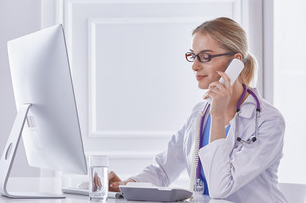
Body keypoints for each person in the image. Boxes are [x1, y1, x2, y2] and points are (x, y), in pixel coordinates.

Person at [108, 17, 287, 203]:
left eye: (206, 56)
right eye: (193, 56)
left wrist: (217, 116)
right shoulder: (199, 114)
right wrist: (126, 186)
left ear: (236, 61)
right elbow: (162, 170)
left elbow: (221, 188)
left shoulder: (269, 121)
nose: (195, 66)